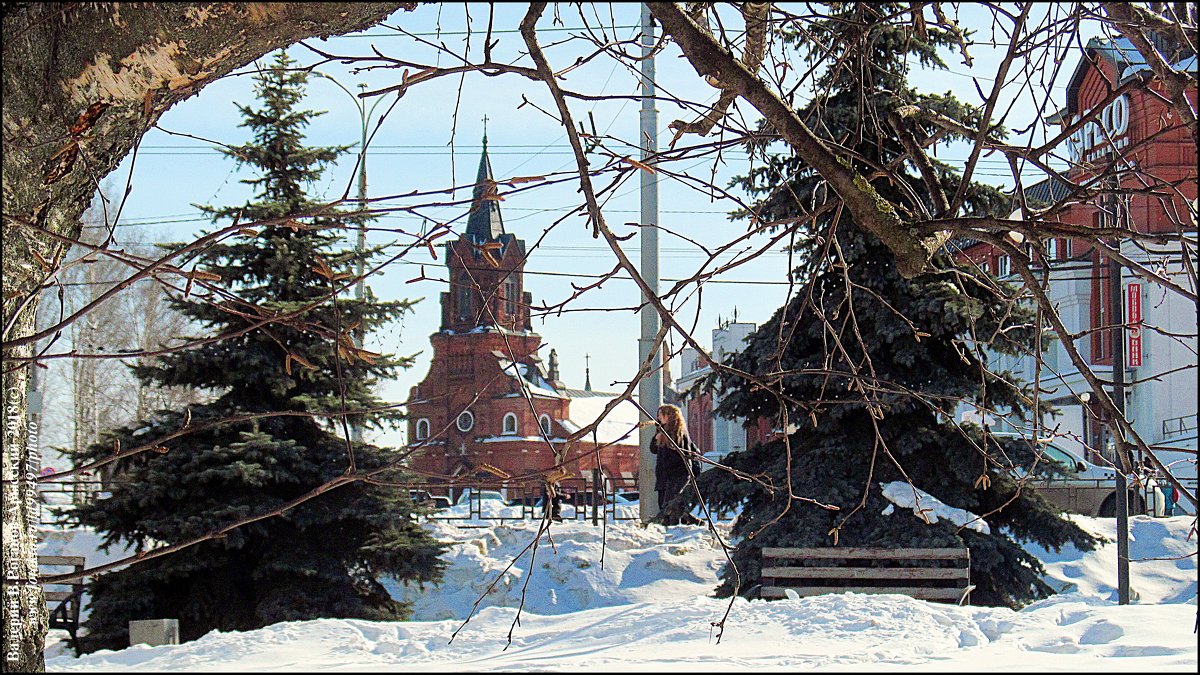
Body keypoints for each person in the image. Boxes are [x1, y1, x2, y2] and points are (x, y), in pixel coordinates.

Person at [648, 404, 701, 525]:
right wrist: (656, 438)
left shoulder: (678, 432)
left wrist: (663, 437)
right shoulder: (661, 431)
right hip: (664, 474)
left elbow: (681, 451)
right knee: (664, 502)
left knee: (670, 503)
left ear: (668, 416)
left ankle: (675, 526)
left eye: (661, 415)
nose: (658, 417)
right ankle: (688, 521)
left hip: (677, 472)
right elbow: (653, 450)